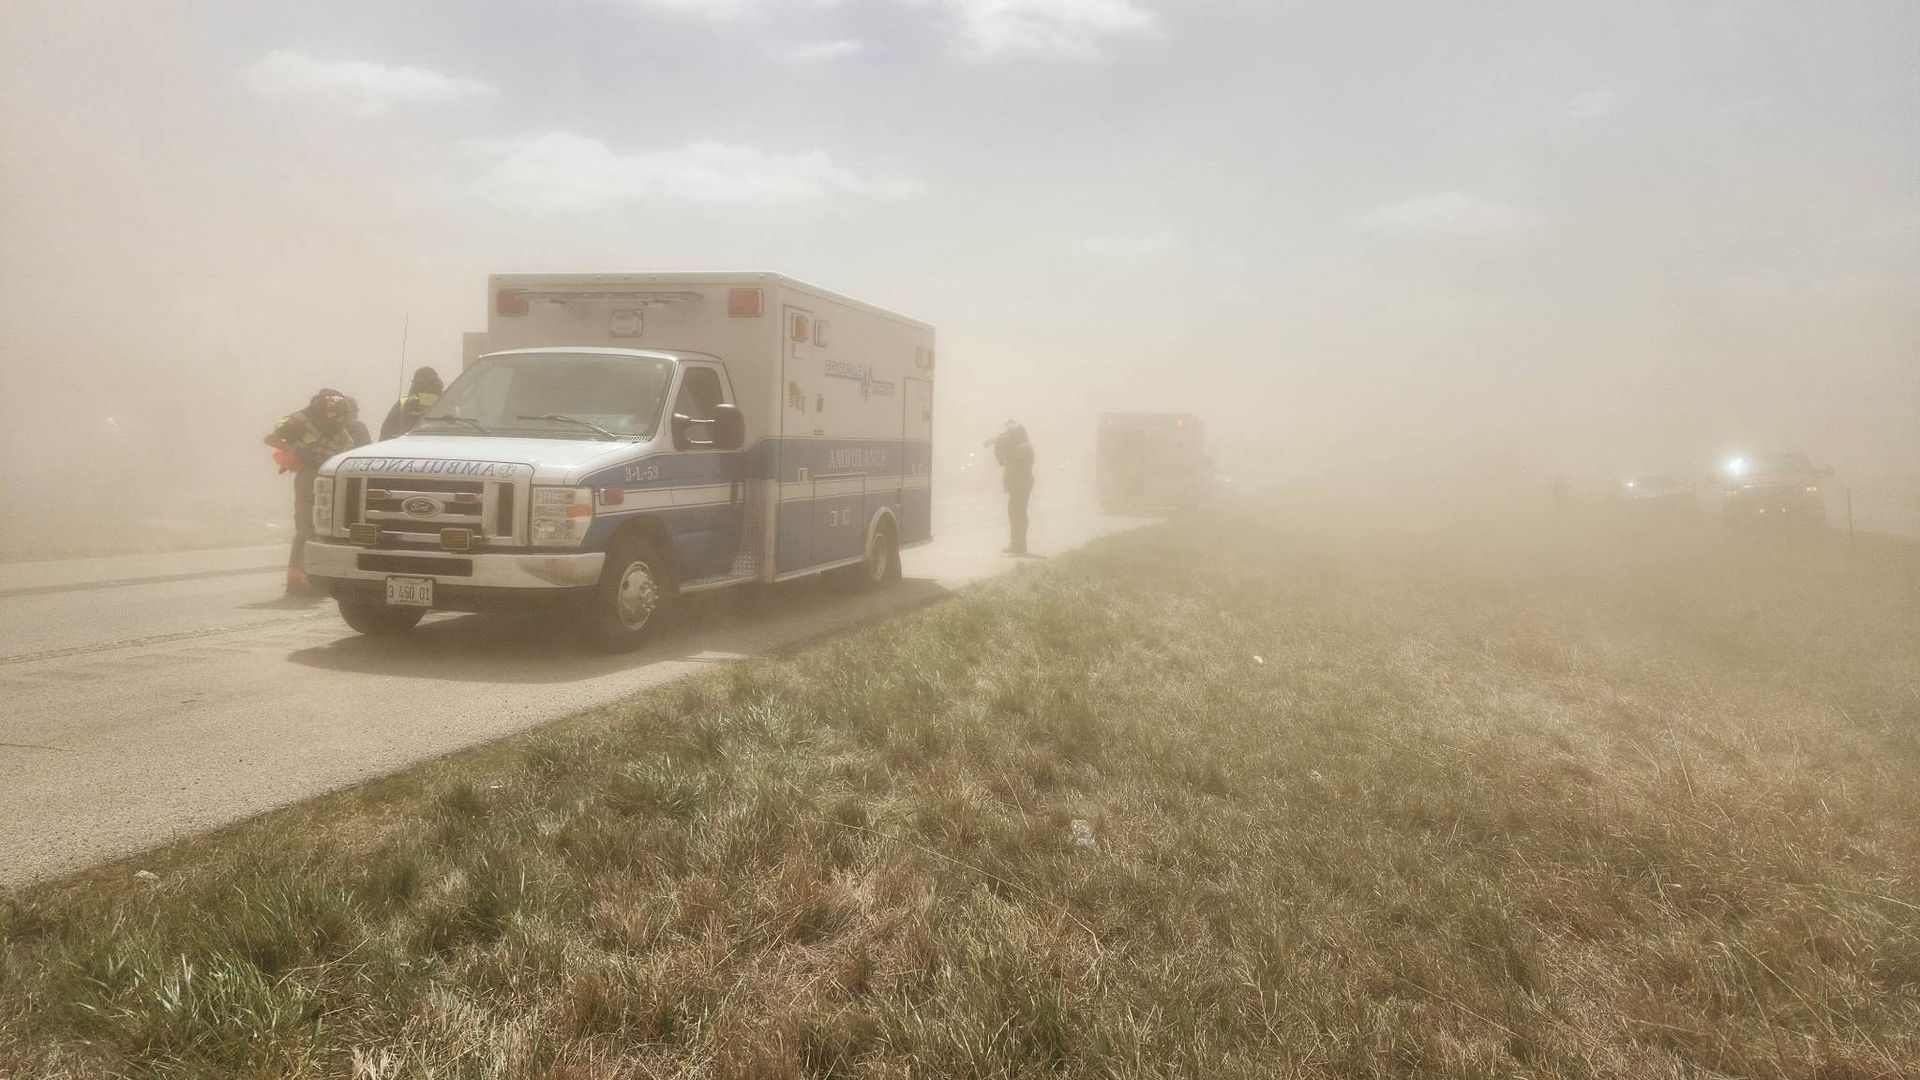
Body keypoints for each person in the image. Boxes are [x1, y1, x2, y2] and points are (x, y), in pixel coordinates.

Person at [265, 389, 364, 595]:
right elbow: (271, 439)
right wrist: (296, 451)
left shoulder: (343, 435)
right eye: (337, 418)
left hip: (329, 483)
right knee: (305, 527)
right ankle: (298, 579)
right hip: (307, 478)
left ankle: (312, 577)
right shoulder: (303, 422)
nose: (339, 423)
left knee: (322, 530)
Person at [989, 421, 1036, 555]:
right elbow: (1004, 463)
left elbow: (1015, 464)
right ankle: (1018, 545)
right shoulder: (1023, 446)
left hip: (1020, 485)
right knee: (1017, 514)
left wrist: (1002, 448)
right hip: (1020, 484)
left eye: (1012, 435)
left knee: (1017, 515)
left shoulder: (1023, 448)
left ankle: (1017, 546)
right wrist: (1000, 449)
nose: (1010, 438)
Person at [380, 367, 444, 440]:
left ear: (414, 382)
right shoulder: (445, 402)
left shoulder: (403, 403)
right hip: (438, 447)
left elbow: (385, 434)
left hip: (407, 447)